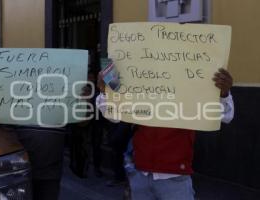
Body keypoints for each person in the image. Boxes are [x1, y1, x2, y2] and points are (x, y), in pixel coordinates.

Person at [96, 68, 234, 200]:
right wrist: (104, 91)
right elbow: (114, 115)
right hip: (139, 174)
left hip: (175, 177)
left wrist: (223, 94)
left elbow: (225, 116)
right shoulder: (137, 77)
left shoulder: (190, 82)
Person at [0, 84, 68, 200]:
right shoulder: (7, 85)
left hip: (49, 171)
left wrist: (83, 100)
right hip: (13, 171)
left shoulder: (63, 87)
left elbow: (82, 123)